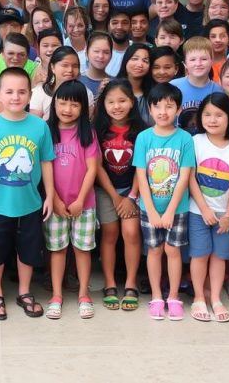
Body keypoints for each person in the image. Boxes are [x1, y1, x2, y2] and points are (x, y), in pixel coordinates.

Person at [0, 67, 55, 320]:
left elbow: (46, 162)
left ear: (30, 95)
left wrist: (50, 195)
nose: (15, 97)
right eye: (9, 91)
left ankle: (24, 292)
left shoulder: (40, 126)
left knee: (28, 248)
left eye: (21, 92)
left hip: (30, 202)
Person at [38, 80, 99, 320]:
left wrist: (80, 200)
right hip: (55, 204)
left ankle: (84, 294)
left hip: (84, 204)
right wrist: (54, 199)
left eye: (74, 105)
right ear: (54, 104)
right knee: (57, 250)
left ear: (83, 108)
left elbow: (92, 169)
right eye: (62, 103)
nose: (67, 109)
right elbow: (44, 167)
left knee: (82, 250)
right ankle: (56, 295)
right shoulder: (46, 131)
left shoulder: (88, 133)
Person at [134, 83, 195, 321]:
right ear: (150, 109)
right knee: (154, 250)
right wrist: (151, 210)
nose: (163, 112)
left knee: (172, 250)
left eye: (169, 106)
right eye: (157, 106)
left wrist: (170, 211)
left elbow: (184, 177)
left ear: (178, 110)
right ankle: (157, 297)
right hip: (149, 207)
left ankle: (174, 296)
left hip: (176, 208)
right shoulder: (143, 138)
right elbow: (141, 176)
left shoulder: (185, 139)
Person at [188, 93, 229, 323]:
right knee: (199, 254)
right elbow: (191, 178)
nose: (212, 120)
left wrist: (228, 215)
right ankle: (198, 297)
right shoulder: (195, 142)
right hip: (199, 212)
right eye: (207, 114)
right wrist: (204, 209)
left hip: (227, 215)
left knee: (219, 257)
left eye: (218, 115)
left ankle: (215, 298)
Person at [92, 79, 144, 312]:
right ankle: (110, 282)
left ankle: (131, 282)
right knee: (110, 233)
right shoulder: (97, 130)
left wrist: (131, 196)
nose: (117, 106)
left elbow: (141, 166)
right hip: (106, 190)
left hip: (133, 189)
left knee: (131, 233)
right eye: (111, 102)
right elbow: (97, 166)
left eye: (122, 100)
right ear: (103, 105)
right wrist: (115, 196)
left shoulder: (141, 131)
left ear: (132, 102)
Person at [171, 37, 222, 134]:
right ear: (185, 63)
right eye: (192, 59)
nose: (198, 64)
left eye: (204, 59)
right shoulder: (173, 86)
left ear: (212, 61)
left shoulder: (218, 91)